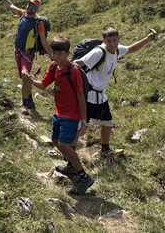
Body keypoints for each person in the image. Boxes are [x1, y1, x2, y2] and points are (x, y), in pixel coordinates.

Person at [23, 36, 94, 195]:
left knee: (63, 144)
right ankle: (71, 165)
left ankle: (83, 177)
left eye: (60, 54)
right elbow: (43, 85)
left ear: (67, 54)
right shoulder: (53, 67)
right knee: (55, 140)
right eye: (54, 53)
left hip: (72, 115)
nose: (56, 56)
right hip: (58, 113)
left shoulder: (73, 71)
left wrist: (83, 120)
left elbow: (81, 95)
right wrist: (31, 80)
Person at [75, 25, 157, 158]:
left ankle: (105, 150)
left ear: (118, 39)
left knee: (107, 122)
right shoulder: (98, 52)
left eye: (114, 40)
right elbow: (78, 63)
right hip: (88, 95)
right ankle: (70, 150)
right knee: (80, 125)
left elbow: (131, 49)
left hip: (100, 95)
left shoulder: (117, 50)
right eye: (109, 41)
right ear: (104, 40)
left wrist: (147, 39)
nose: (112, 44)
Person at [0, 0, 53, 110]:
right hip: (18, 52)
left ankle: (26, 102)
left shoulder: (38, 23)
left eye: (34, 7)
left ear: (37, 10)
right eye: (30, 5)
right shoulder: (23, 14)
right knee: (23, 77)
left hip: (28, 53)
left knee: (25, 75)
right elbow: (9, 5)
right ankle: (28, 100)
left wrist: (52, 56)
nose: (30, 8)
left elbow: (44, 41)